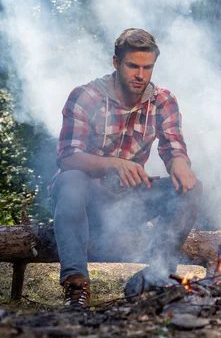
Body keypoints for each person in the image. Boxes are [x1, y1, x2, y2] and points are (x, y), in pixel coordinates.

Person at [49, 28, 202, 308]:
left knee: (191, 188)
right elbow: (68, 157)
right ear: (116, 62)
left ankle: (157, 275)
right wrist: (114, 164)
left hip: (126, 202)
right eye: (133, 66)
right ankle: (76, 286)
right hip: (84, 201)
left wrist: (180, 163)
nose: (140, 75)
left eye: (147, 67)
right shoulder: (85, 97)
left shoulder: (163, 101)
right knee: (71, 180)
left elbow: (173, 147)